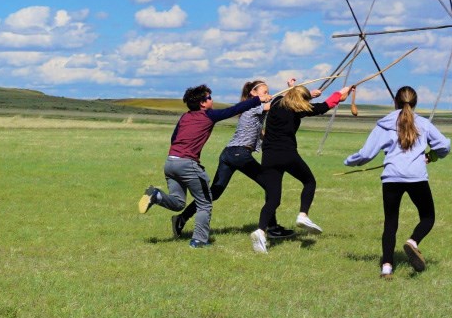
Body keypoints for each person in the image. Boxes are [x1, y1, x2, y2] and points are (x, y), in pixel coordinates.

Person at [138, 84, 270, 248]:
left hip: (170, 162)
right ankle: (199, 240)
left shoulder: (184, 117)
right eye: (209, 97)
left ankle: (156, 195)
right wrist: (258, 100)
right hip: (187, 164)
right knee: (205, 203)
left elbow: (174, 138)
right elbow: (234, 109)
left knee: (178, 202)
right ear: (202, 103)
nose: (211, 99)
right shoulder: (209, 115)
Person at [344, 85, 451, 278]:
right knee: (428, 217)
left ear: (395, 101)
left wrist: (349, 162)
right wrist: (432, 155)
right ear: (415, 103)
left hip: (391, 178)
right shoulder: (423, 124)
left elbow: (366, 154)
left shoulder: (383, 125)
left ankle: (386, 267)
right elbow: (444, 145)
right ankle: (413, 242)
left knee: (390, 223)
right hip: (417, 177)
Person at [173, 80, 293, 242]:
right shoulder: (253, 106)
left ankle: (181, 219)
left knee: (214, 192)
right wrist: (293, 90)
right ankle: (271, 228)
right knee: (270, 184)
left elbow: (261, 129)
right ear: (253, 93)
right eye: (264, 91)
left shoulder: (254, 108)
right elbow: (279, 105)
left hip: (229, 154)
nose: (267, 94)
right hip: (239, 154)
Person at [251, 80, 352, 254]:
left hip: (268, 156)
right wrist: (341, 93)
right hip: (287, 153)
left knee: (273, 199)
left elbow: (293, 95)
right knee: (309, 182)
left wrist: (293, 86)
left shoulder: (276, 102)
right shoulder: (299, 109)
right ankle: (303, 215)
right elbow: (326, 105)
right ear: (301, 100)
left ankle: (260, 231)